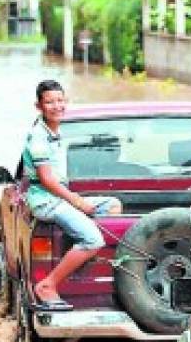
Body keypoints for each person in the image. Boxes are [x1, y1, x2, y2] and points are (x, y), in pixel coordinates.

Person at [22, 79, 123, 307]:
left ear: (66, 101)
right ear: (38, 106)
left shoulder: (54, 132)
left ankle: (97, 268)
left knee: (111, 205)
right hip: (46, 202)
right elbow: (47, 180)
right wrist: (77, 202)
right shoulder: (38, 137)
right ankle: (48, 284)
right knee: (92, 239)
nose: (56, 106)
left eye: (60, 100)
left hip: (57, 198)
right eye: (49, 102)